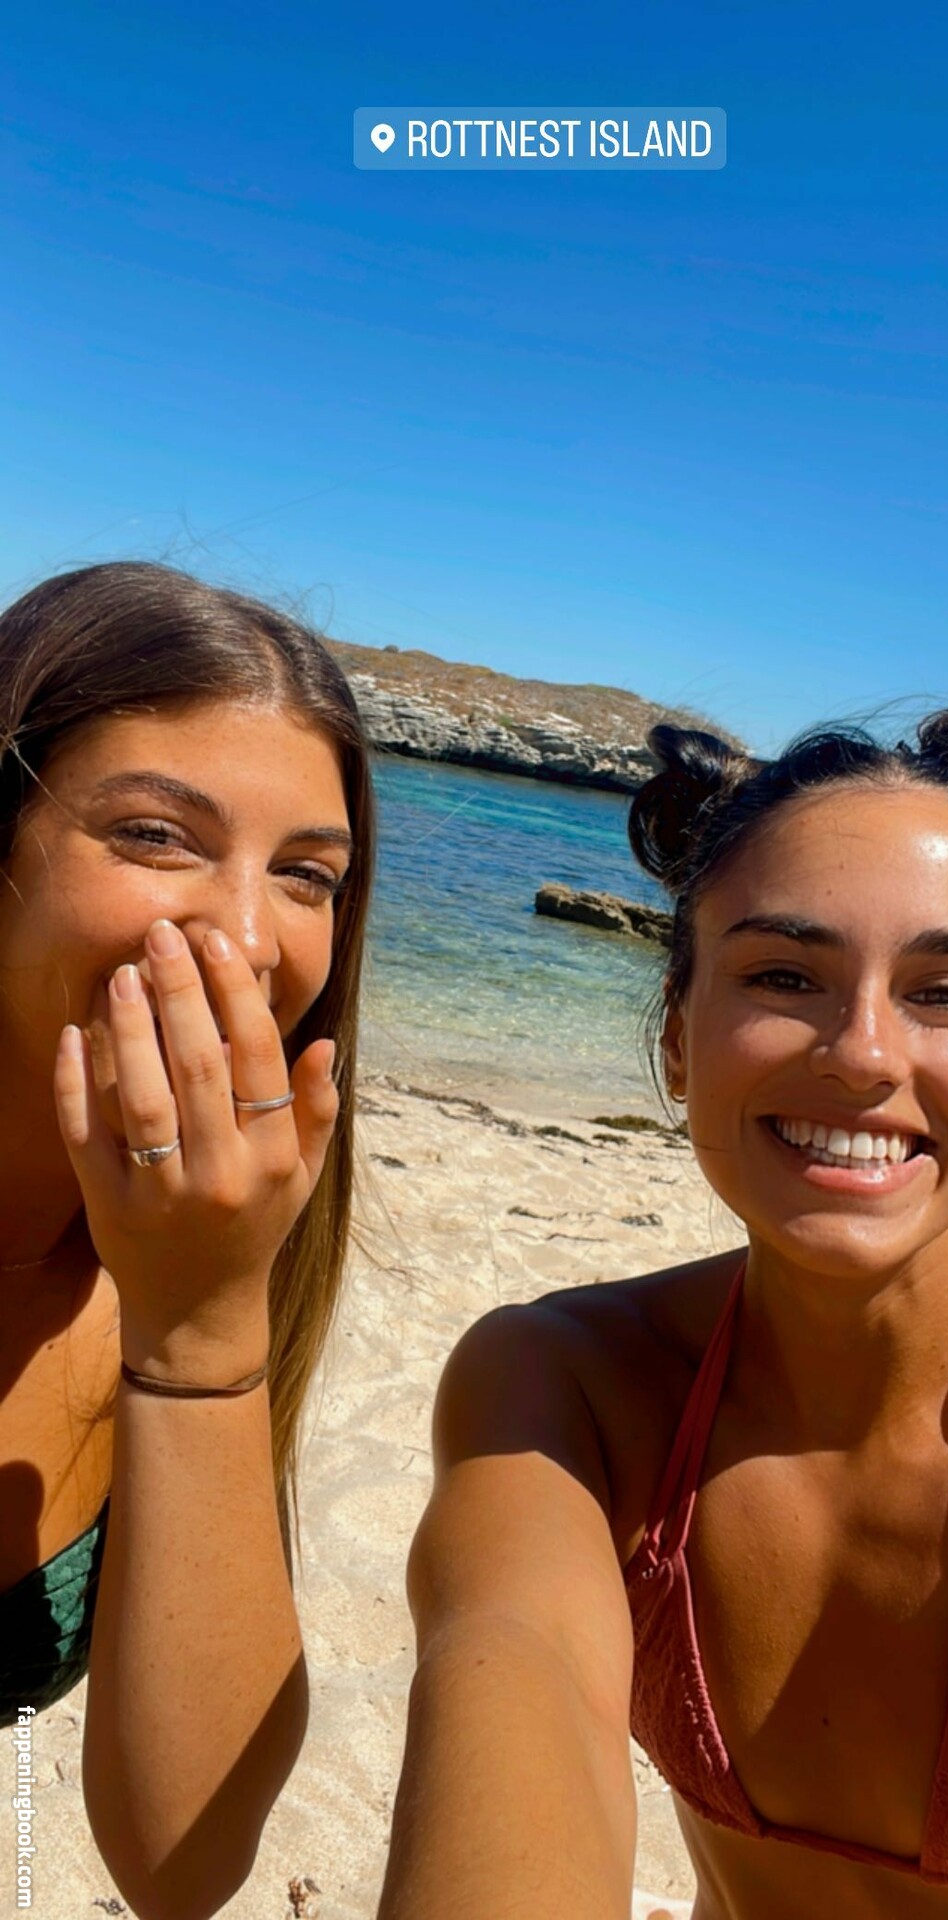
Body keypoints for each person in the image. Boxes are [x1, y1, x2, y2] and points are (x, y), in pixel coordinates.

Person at [378, 658, 948, 1920]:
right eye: (783, 977)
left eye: (945, 994)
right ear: (676, 1035)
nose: (864, 1053)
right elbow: (513, 1662)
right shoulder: (573, 1393)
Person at [0, 561, 373, 1920]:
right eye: (156, 835)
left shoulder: (203, 1247)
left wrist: (202, 1331)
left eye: (307, 876)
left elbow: (182, 1861)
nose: (247, 938)